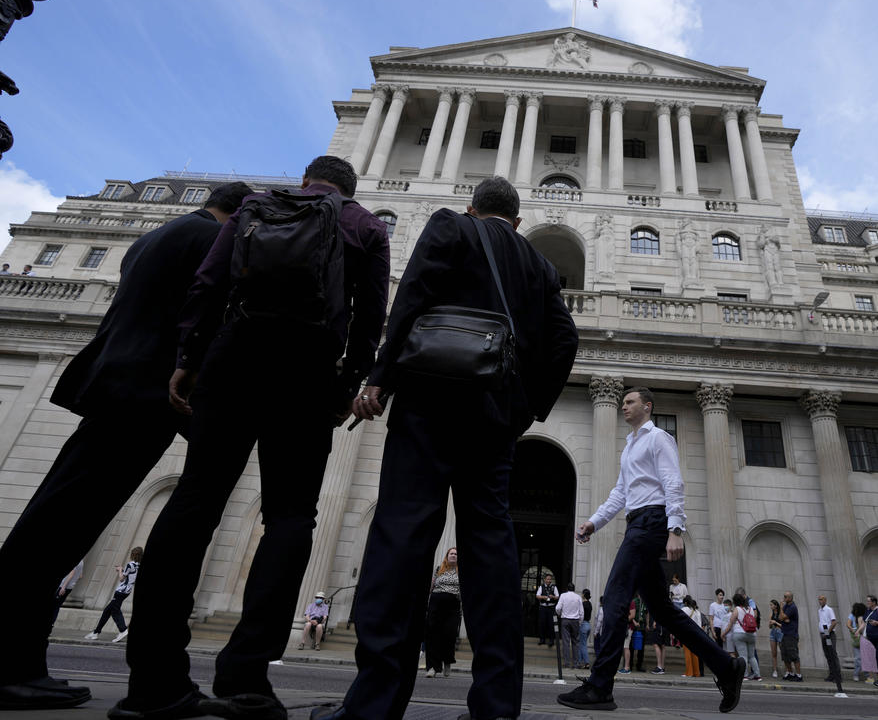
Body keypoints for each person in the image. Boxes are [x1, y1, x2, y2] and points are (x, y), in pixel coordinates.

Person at [115, 156, 390, 720]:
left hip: (234, 358)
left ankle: (153, 682)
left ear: (309, 177)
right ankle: (246, 679)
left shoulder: (253, 207)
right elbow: (370, 319)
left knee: (195, 501)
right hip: (308, 372)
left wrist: (190, 357)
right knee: (291, 518)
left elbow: (208, 282)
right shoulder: (365, 225)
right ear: (348, 186)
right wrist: (346, 383)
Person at [320, 176, 578, 720]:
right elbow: (564, 340)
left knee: (402, 541)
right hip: (494, 419)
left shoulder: (449, 226)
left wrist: (379, 378)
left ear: (472, 207)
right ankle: (495, 707)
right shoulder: (539, 266)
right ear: (517, 220)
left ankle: (375, 705)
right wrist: (526, 408)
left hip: (429, 404)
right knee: (492, 551)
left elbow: (412, 296)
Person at [0, 182, 252, 712]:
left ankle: (21, 662)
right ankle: (7, 663)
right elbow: (200, 314)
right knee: (59, 528)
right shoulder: (209, 240)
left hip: (114, 383)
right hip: (144, 391)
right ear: (240, 214)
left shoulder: (159, 235)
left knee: (60, 521)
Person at [557, 387, 744, 713]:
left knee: (615, 600)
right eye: (624, 403)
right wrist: (594, 522)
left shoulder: (659, 438)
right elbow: (620, 492)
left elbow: (674, 482)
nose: (624, 407)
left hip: (651, 524)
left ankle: (600, 687)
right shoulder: (630, 446)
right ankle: (726, 666)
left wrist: (675, 530)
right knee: (664, 612)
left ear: (647, 406)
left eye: (629, 402)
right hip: (637, 524)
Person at [85, 547, 142, 643]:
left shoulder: (130, 564)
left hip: (121, 591)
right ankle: (96, 632)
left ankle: (123, 630)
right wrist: (123, 571)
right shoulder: (138, 565)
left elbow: (121, 579)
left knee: (115, 611)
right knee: (107, 611)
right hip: (127, 591)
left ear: (132, 554)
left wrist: (120, 570)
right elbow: (130, 576)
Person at [425, 547, 461, 678]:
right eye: (451, 553)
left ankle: (447, 661)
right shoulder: (438, 569)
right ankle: (432, 667)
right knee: (432, 635)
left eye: (456, 554)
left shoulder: (461, 571)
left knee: (449, 635)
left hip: (453, 606)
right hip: (435, 604)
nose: (453, 555)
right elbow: (431, 586)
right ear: (447, 555)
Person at [721, 591, 761, 681]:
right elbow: (754, 618)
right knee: (752, 656)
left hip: (739, 633)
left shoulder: (737, 609)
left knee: (743, 656)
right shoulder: (751, 609)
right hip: (752, 634)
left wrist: (723, 634)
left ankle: (745, 675)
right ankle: (757, 675)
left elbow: (730, 624)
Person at [817, 594, 843, 692]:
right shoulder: (819, 611)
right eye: (819, 599)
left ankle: (838, 676)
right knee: (827, 654)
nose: (820, 601)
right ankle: (832, 675)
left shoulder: (829, 609)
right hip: (823, 634)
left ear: (825, 600)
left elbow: (834, 622)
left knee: (832, 653)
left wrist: (827, 633)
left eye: (822, 599)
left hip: (829, 634)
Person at [556, 583, 584, 669]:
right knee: (575, 642)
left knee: (566, 642)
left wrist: (560, 615)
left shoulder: (563, 596)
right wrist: (580, 622)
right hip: (575, 621)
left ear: (567, 589)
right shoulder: (578, 597)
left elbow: (557, 608)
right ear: (574, 589)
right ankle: (575, 663)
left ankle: (567, 663)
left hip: (565, 620)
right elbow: (581, 612)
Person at [51, 560, 84, 630]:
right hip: (70, 587)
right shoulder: (82, 562)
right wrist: (73, 582)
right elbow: (80, 576)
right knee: (57, 607)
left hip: (63, 587)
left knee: (54, 606)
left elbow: (72, 573)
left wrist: (63, 586)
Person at [778, 591, 801, 681]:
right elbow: (780, 618)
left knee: (793, 655)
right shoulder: (786, 606)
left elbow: (783, 617)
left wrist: (781, 610)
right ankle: (790, 673)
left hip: (791, 634)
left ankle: (799, 675)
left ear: (791, 598)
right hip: (785, 633)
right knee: (785, 655)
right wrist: (784, 617)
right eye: (784, 596)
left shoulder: (792, 607)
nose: (784, 598)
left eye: (786, 597)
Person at [536, 574, 559, 646]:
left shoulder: (554, 587)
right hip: (543, 607)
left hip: (551, 608)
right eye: (547, 579)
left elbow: (558, 597)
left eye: (550, 579)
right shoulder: (541, 587)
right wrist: (543, 597)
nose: (549, 580)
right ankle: (542, 639)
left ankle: (551, 640)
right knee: (542, 623)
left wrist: (553, 597)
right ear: (545, 580)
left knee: (551, 624)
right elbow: (537, 596)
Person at [847, 602, 867, 682]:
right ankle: (856, 674)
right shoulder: (852, 615)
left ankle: (867, 675)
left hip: (863, 637)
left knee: (865, 658)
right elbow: (848, 624)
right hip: (856, 639)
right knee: (858, 658)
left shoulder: (863, 617)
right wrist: (852, 629)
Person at [578, 588, 593, 669]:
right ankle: (579, 662)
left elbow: (580, 615)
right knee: (581, 644)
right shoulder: (590, 604)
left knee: (583, 645)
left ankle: (587, 663)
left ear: (583, 595)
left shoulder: (583, 604)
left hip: (583, 625)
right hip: (588, 625)